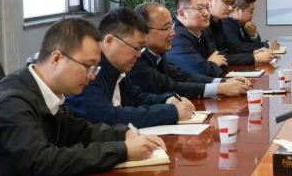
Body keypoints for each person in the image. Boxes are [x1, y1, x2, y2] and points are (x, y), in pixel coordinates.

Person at [0, 18, 165, 176]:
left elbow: (79, 130)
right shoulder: (12, 101)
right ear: (56, 59)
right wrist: (123, 150)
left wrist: (125, 134)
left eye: (95, 68)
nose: (92, 76)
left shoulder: (44, 92)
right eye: (88, 67)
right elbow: (43, 162)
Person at [65, 9, 195, 128]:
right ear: (109, 41)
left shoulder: (117, 68)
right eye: (136, 48)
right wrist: (171, 112)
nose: (139, 54)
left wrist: (169, 100)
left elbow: (136, 97)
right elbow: (108, 117)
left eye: (141, 49)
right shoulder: (89, 72)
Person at [129, 2, 252, 99]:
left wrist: (223, 82)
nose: (173, 33)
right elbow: (171, 86)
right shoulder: (137, 60)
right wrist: (220, 89)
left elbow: (184, 77)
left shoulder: (159, 54)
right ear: (143, 32)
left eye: (171, 26)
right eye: (166, 28)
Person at [205, 0, 275, 64]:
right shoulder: (203, 26)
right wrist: (254, 57)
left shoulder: (218, 22)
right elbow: (220, 57)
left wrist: (255, 53)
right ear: (210, 0)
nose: (230, 8)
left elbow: (231, 50)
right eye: (227, 2)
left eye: (231, 4)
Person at [168, 0, 232, 77]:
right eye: (199, 8)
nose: (207, 13)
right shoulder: (176, 36)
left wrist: (208, 65)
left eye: (207, 7)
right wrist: (210, 64)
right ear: (182, 13)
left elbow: (223, 61)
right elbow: (201, 72)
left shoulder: (202, 30)